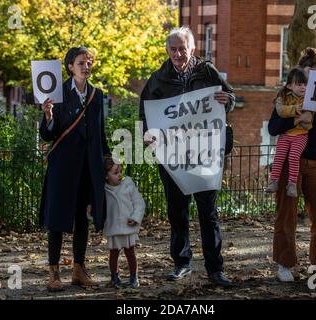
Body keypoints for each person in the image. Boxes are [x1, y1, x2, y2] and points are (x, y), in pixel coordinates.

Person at [139, 27, 235, 287]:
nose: (178, 54)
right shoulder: (158, 79)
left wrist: (228, 99)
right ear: (167, 50)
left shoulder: (208, 71)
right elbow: (145, 113)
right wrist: (146, 135)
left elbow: (231, 97)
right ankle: (181, 264)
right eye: (173, 49)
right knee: (177, 213)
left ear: (192, 49)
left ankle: (215, 269)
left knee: (208, 213)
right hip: (173, 156)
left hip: (204, 154)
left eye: (183, 48)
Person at [39, 46, 110, 292]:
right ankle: (54, 273)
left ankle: (79, 270)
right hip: (62, 166)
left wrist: (107, 159)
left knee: (82, 219)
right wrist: (48, 115)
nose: (86, 66)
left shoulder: (96, 94)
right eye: (81, 62)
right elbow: (48, 135)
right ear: (70, 66)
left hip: (87, 168)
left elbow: (100, 133)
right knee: (57, 220)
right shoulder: (56, 93)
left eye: (89, 62)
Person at [268, 47, 316, 282]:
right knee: (286, 214)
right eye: (307, 76)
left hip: (315, 161)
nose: (310, 82)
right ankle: (285, 265)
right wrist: (295, 116)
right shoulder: (286, 97)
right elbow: (273, 128)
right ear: (300, 77)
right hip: (291, 161)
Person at [265, 67, 313, 197]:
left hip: (300, 135)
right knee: (279, 157)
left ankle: (292, 184)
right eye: (299, 84)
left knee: (293, 156)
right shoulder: (282, 97)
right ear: (289, 86)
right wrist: (294, 110)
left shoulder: (308, 99)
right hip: (285, 136)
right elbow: (280, 110)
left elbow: (309, 118)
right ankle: (273, 181)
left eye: (305, 84)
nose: (303, 87)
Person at [103, 156, 145, 288]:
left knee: (130, 252)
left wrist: (135, 217)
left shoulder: (128, 185)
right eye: (115, 173)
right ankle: (114, 277)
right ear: (106, 175)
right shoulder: (104, 190)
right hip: (113, 227)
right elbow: (99, 210)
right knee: (114, 253)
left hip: (128, 226)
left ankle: (134, 277)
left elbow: (139, 203)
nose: (119, 175)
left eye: (120, 171)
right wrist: (90, 213)